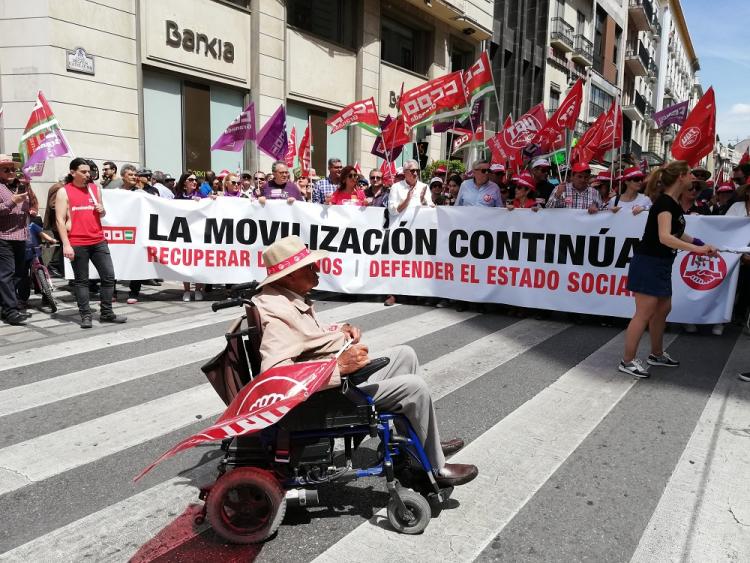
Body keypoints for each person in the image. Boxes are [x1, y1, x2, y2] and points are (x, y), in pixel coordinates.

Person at [252, 235, 478, 487]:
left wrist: (340, 330)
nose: (317, 269)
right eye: (309, 266)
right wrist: (337, 367)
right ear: (290, 275)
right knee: (415, 387)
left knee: (405, 354)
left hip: (334, 386)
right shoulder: (277, 313)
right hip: (323, 399)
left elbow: (307, 337)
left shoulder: (286, 296)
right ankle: (434, 468)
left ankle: (420, 447)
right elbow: (276, 377)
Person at [619, 161, 717, 378]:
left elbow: (677, 233)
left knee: (663, 309)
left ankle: (656, 353)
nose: (694, 177)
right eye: (690, 173)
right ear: (681, 176)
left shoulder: (671, 203)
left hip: (660, 263)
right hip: (649, 262)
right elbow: (665, 237)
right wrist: (696, 249)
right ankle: (627, 361)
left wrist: (700, 243)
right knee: (644, 313)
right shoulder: (665, 203)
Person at [55, 157, 127, 328]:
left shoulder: (95, 189)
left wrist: (102, 210)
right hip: (77, 242)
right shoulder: (64, 192)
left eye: (89, 171)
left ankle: (107, 313)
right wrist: (66, 244)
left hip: (98, 240)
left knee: (109, 277)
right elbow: (59, 220)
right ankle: (86, 315)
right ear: (73, 173)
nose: (88, 174)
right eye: (84, 171)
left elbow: (100, 213)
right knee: (82, 281)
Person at [0, 155, 33, 325]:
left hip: (21, 237)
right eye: (6, 169)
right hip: (3, 237)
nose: (12, 172)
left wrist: (28, 186)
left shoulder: (19, 187)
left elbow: (32, 206)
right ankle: (11, 310)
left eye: (13, 169)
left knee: (19, 274)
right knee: (7, 274)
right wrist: (11, 202)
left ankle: (7, 307)